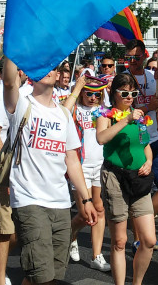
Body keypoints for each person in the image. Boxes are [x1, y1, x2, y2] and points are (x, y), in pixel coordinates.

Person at [2, 57, 97, 284]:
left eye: (53, 68)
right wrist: (12, 47)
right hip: (29, 200)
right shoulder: (23, 105)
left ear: (57, 76)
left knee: (48, 276)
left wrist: (86, 200)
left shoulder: (63, 115)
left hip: (61, 204)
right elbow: (8, 82)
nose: (49, 71)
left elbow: (72, 160)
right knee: (42, 276)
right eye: (43, 66)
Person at [96, 73, 155, 285]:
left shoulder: (140, 117)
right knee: (120, 241)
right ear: (115, 94)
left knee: (149, 240)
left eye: (133, 93)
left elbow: (145, 144)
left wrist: (148, 161)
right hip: (115, 177)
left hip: (139, 179)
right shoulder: (106, 114)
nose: (130, 97)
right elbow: (101, 138)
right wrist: (126, 119)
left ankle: (136, 283)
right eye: (125, 93)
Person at [0, 67, 31, 285]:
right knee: (5, 232)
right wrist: (9, 173)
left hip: (24, 175)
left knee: (23, 230)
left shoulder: (28, 91)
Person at [123, 40, 158, 231]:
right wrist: (147, 107)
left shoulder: (153, 76)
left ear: (144, 56)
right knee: (139, 192)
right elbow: (121, 111)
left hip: (154, 139)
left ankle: (141, 225)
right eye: (129, 58)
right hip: (135, 142)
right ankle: (140, 236)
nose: (133, 61)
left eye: (136, 57)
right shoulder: (124, 79)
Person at [63, 75, 111, 272]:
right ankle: (71, 235)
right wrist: (76, 88)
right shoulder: (73, 108)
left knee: (99, 210)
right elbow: (63, 112)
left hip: (99, 165)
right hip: (79, 166)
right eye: (88, 93)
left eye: (96, 94)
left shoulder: (104, 111)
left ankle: (96, 256)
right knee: (84, 213)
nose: (92, 97)